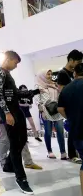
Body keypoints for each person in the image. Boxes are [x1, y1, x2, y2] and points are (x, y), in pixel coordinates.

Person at [0, 50, 40, 195]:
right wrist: (6, 113)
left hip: (16, 110)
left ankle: (8, 165)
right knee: (15, 143)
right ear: (8, 59)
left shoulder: (6, 73)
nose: (16, 66)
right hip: (9, 113)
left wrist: (33, 92)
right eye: (15, 62)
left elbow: (13, 93)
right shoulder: (0, 72)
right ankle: (21, 178)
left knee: (23, 140)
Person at [0, 86, 42, 173]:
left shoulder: (8, 84)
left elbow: (19, 94)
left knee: (20, 139)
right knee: (5, 140)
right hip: (1, 119)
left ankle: (27, 162)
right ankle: (5, 163)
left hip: (12, 116)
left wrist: (35, 91)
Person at [58, 63, 83, 195]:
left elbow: (60, 108)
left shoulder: (66, 89)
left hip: (77, 131)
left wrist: (71, 118)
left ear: (74, 74)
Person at [57, 49, 83, 164]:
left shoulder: (73, 73)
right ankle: (72, 154)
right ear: (71, 60)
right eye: (78, 61)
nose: (79, 64)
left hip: (75, 106)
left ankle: (75, 153)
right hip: (70, 107)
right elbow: (62, 92)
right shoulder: (63, 74)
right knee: (73, 130)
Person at [36, 70, 66, 159]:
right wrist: (41, 111)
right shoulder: (39, 86)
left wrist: (57, 87)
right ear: (43, 75)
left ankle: (63, 152)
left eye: (50, 74)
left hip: (56, 110)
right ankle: (49, 151)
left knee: (60, 131)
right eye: (48, 74)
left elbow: (60, 95)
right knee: (48, 132)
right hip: (46, 111)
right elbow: (37, 100)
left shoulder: (55, 85)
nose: (50, 76)